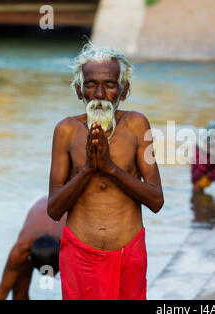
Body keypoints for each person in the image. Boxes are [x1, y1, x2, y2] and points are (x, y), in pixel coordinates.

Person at [47, 42, 164, 300]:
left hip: (128, 254)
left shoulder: (136, 125)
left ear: (124, 91)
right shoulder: (65, 130)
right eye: (90, 84)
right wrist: (88, 170)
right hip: (79, 255)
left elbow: (156, 200)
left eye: (110, 85)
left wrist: (110, 169)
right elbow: (54, 209)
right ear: (79, 90)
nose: (99, 93)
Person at [0, 196, 66, 300]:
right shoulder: (21, 249)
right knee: (20, 285)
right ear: (30, 257)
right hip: (37, 206)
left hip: (64, 206)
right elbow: (2, 291)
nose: (50, 276)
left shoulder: (70, 242)